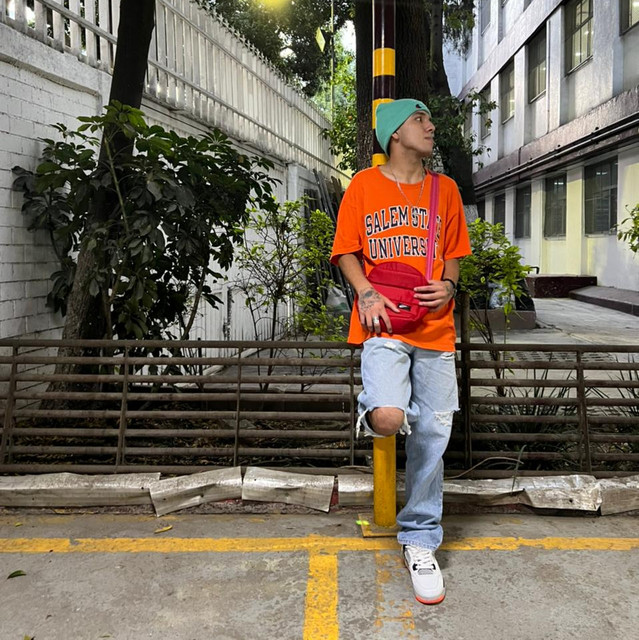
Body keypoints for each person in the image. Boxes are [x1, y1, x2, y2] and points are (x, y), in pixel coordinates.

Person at [330, 98, 471, 605]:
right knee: (389, 417)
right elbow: (345, 250)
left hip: (434, 327)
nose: (431, 127)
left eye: (429, 120)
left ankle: (420, 538)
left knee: (432, 434)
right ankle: (376, 404)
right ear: (394, 133)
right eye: (420, 119)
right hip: (383, 322)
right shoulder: (364, 186)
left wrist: (449, 287)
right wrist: (366, 291)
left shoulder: (445, 189)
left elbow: (454, 254)